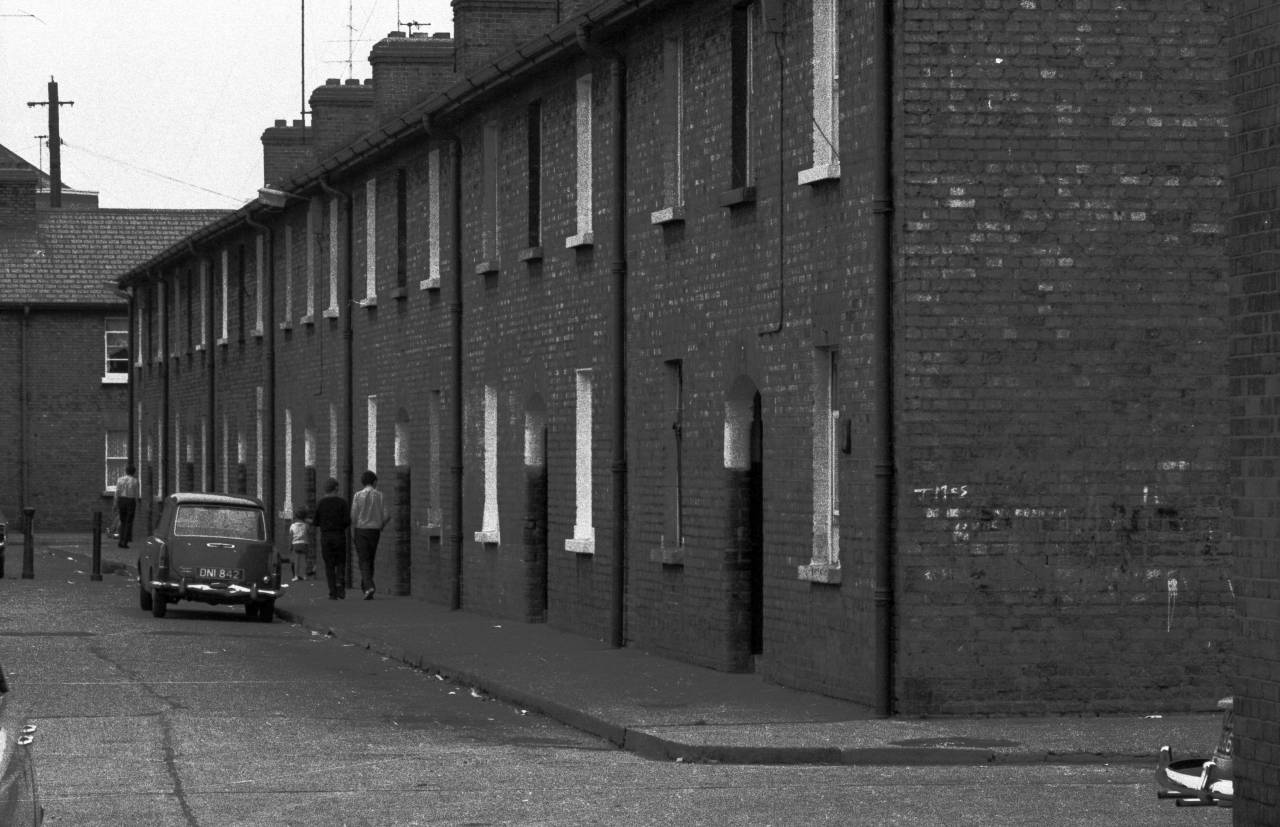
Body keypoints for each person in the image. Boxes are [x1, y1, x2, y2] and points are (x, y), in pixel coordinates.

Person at [350, 470, 390, 600]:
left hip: (361, 530)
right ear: (374, 482)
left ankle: (369, 586)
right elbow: (387, 515)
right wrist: (381, 525)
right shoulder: (380, 495)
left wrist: (354, 528)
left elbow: (353, 516)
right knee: (370, 559)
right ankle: (366, 588)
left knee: (363, 559)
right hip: (375, 531)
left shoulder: (357, 495)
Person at [312, 478, 351, 600]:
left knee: (329, 565)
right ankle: (340, 582)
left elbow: (316, 521)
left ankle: (332, 593)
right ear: (336, 488)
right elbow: (347, 521)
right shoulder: (342, 503)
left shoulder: (320, 503)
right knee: (340, 562)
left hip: (326, 537)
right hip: (339, 535)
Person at [114, 464, 140, 548]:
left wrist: (115, 503)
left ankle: (120, 540)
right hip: (130, 501)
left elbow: (117, 492)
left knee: (122, 521)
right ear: (134, 472)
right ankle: (125, 541)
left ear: (126, 471)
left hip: (121, 500)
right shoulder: (135, 481)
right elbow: (136, 495)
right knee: (128, 522)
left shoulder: (120, 480)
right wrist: (136, 504)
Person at [288, 507, 312, 581]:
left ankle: (296, 576)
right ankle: (305, 575)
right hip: (304, 543)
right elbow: (309, 532)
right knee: (304, 560)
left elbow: (291, 537)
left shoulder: (292, 526)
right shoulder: (306, 525)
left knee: (296, 560)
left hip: (296, 544)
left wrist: (290, 546)